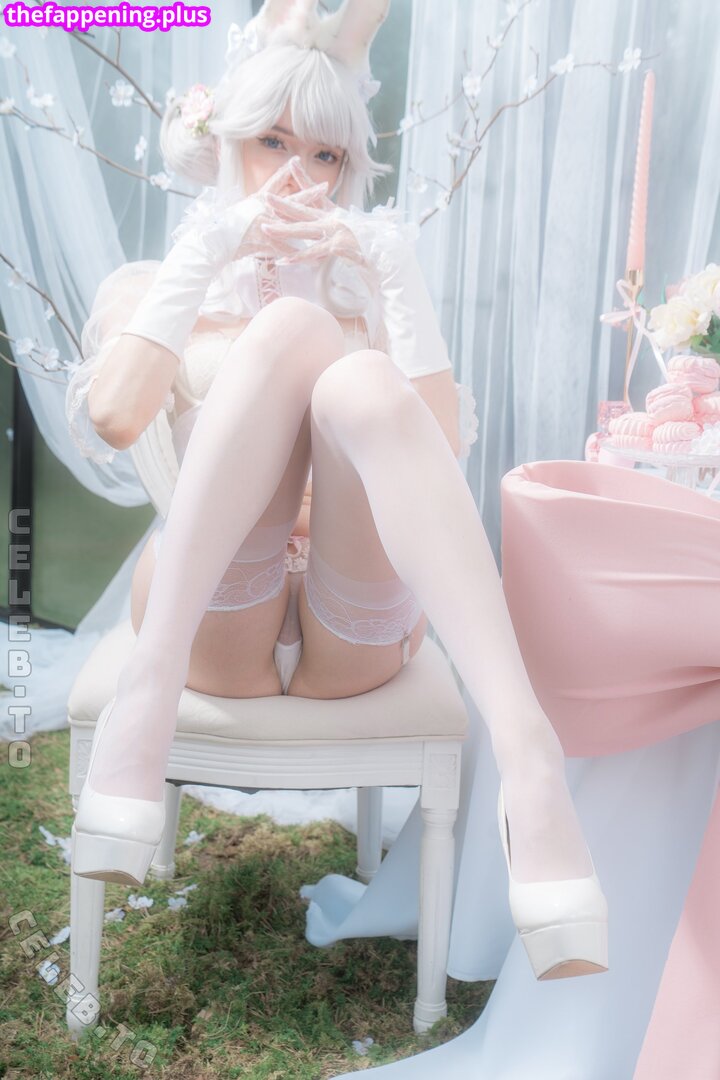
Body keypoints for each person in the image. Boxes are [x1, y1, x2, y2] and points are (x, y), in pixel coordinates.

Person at [66, 0, 607, 984]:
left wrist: (395, 278)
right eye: (270, 143)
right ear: (223, 146)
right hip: (209, 617)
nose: (296, 175)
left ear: (347, 172)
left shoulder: (368, 288)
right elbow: (113, 416)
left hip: (350, 619)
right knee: (292, 335)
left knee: (354, 374)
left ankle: (526, 749)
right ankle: (150, 688)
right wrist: (212, 251)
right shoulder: (158, 283)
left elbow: (437, 460)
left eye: (323, 156)